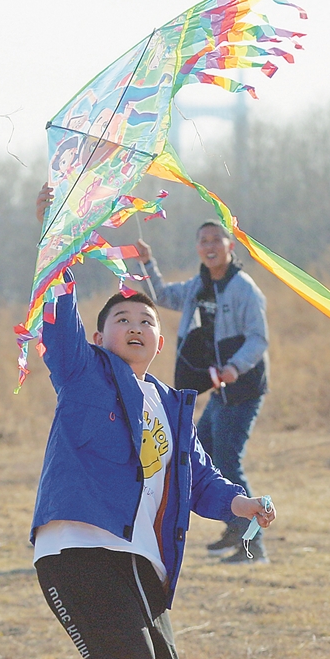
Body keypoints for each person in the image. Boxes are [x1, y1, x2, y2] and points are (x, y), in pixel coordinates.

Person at [31, 184, 276, 659]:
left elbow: (199, 480)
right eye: (122, 320)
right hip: (79, 548)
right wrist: (55, 237)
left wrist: (240, 503)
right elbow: (54, 316)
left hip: (138, 562)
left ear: (160, 340)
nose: (136, 327)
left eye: (146, 322)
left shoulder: (169, 405)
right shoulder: (83, 373)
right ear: (99, 336)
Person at [135, 222, 270, 563]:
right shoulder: (199, 286)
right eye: (203, 241)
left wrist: (234, 368)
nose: (210, 246)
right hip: (219, 391)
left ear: (230, 245)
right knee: (207, 454)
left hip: (243, 388)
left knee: (228, 462)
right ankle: (234, 527)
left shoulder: (244, 289)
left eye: (216, 240)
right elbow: (162, 296)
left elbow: (258, 339)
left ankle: (254, 546)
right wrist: (147, 263)